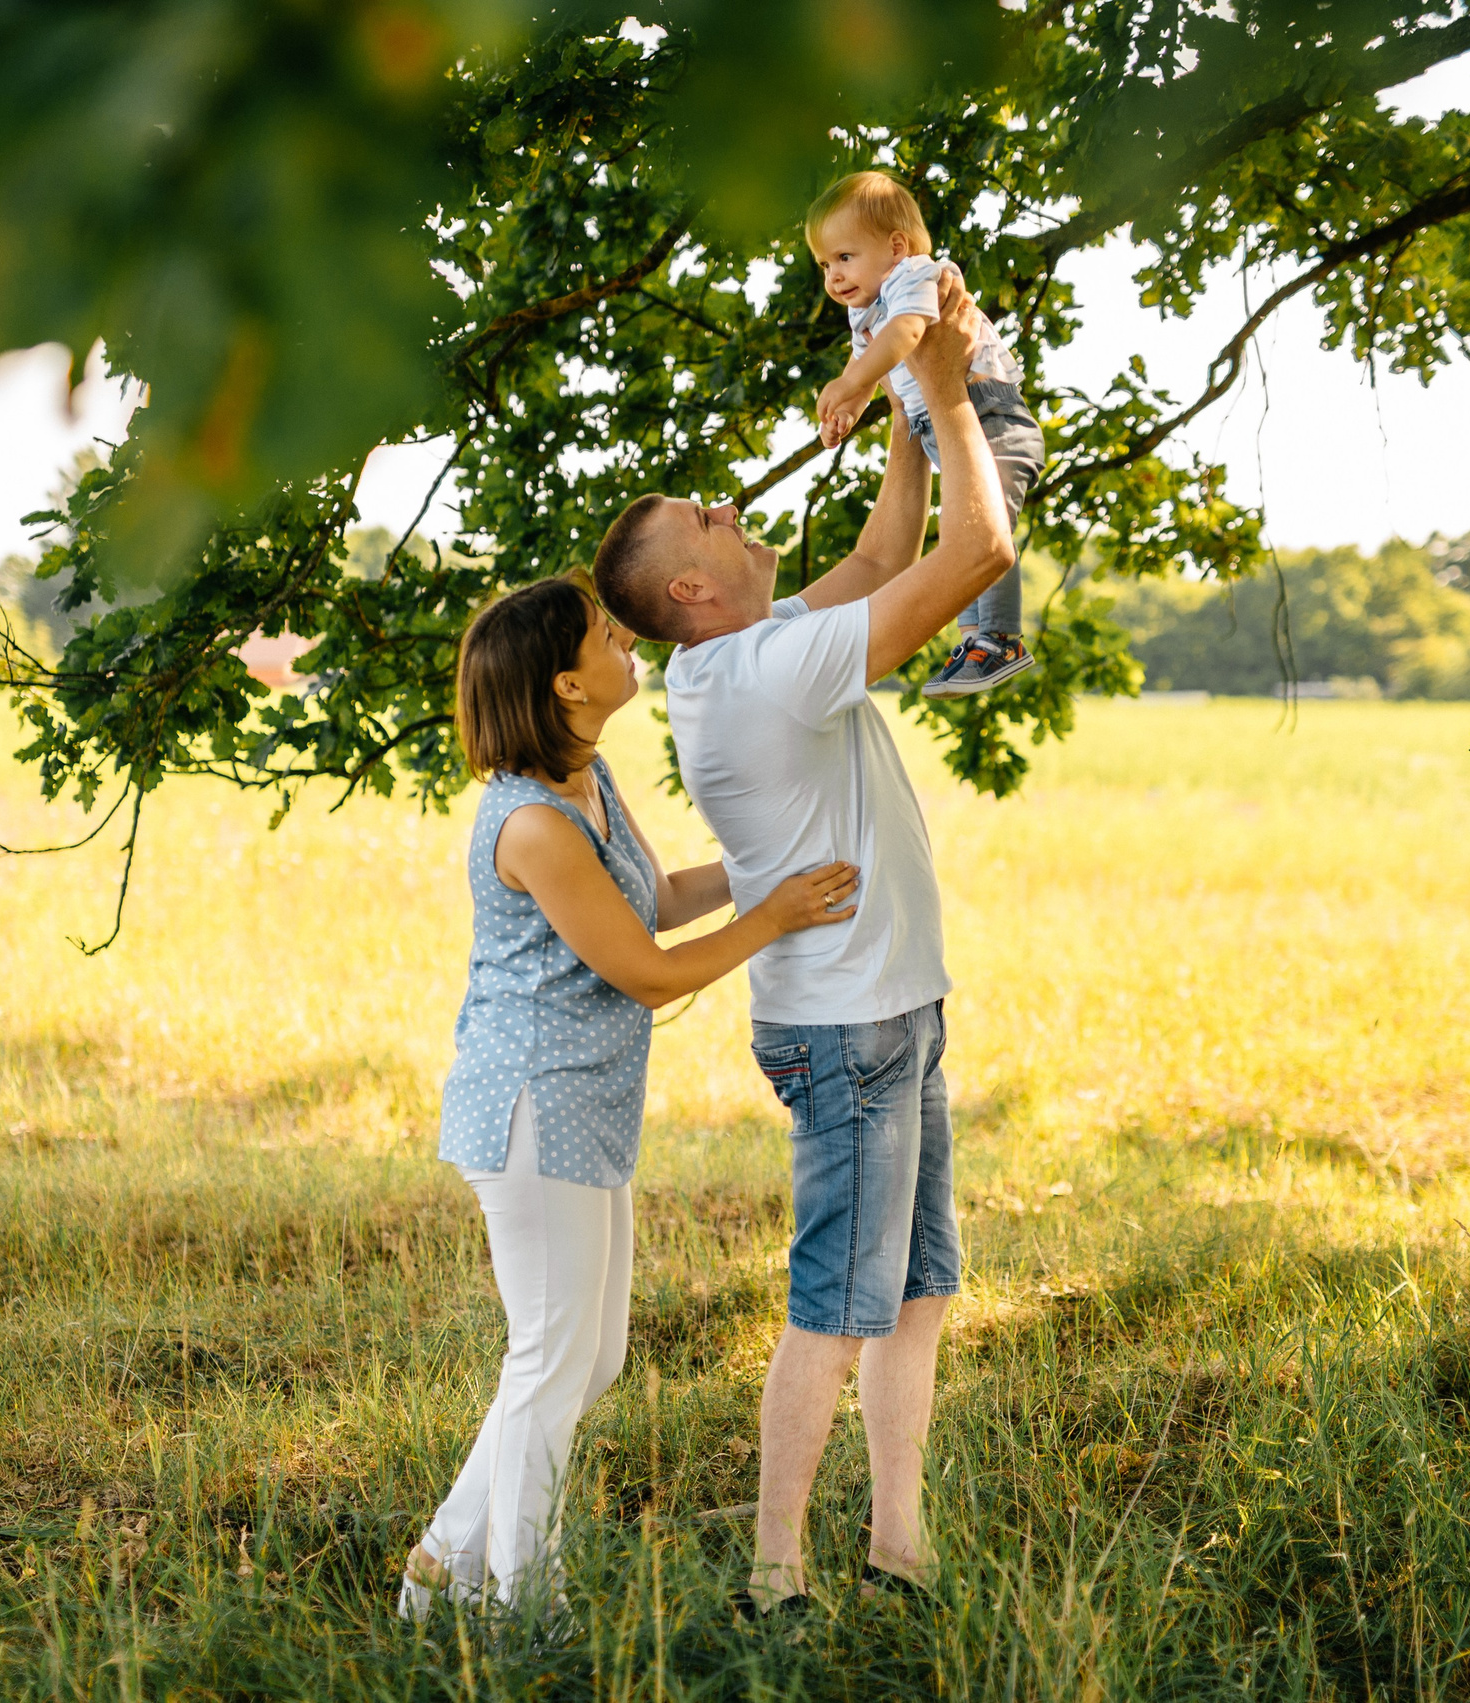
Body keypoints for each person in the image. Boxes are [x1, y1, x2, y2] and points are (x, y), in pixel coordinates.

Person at [588, 271, 1014, 1617]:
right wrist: (950, 401)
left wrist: (897, 406)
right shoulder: (763, 669)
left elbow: (888, 557)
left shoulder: (754, 643)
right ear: (697, 585)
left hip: (897, 1008)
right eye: (704, 516)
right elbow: (974, 556)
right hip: (847, 1031)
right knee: (837, 1304)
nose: (729, 501)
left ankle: (901, 1540)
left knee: (919, 1287)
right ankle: (776, 1572)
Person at [400, 575, 860, 1617]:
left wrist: (766, 871)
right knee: (554, 1357)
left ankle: (440, 1565)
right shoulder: (530, 825)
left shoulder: (587, 779)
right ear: (567, 684)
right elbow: (645, 969)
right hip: (529, 1107)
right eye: (608, 635)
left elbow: (649, 897)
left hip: (582, 1106)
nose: (625, 639)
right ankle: (524, 1604)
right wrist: (776, 916)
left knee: (584, 1355)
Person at [807, 169, 1043, 699]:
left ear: (895, 246)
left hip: (992, 419)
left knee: (985, 527)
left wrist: (849, 380)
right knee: (957, 528)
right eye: (824, 264)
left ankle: (1002, 638)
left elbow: (908, 334)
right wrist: (852, 404)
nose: (833, 276)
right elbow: (876, 364)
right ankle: (971, 642)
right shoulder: (866, 310)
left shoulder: (914, 275)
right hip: (942, 426)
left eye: (844, 257)